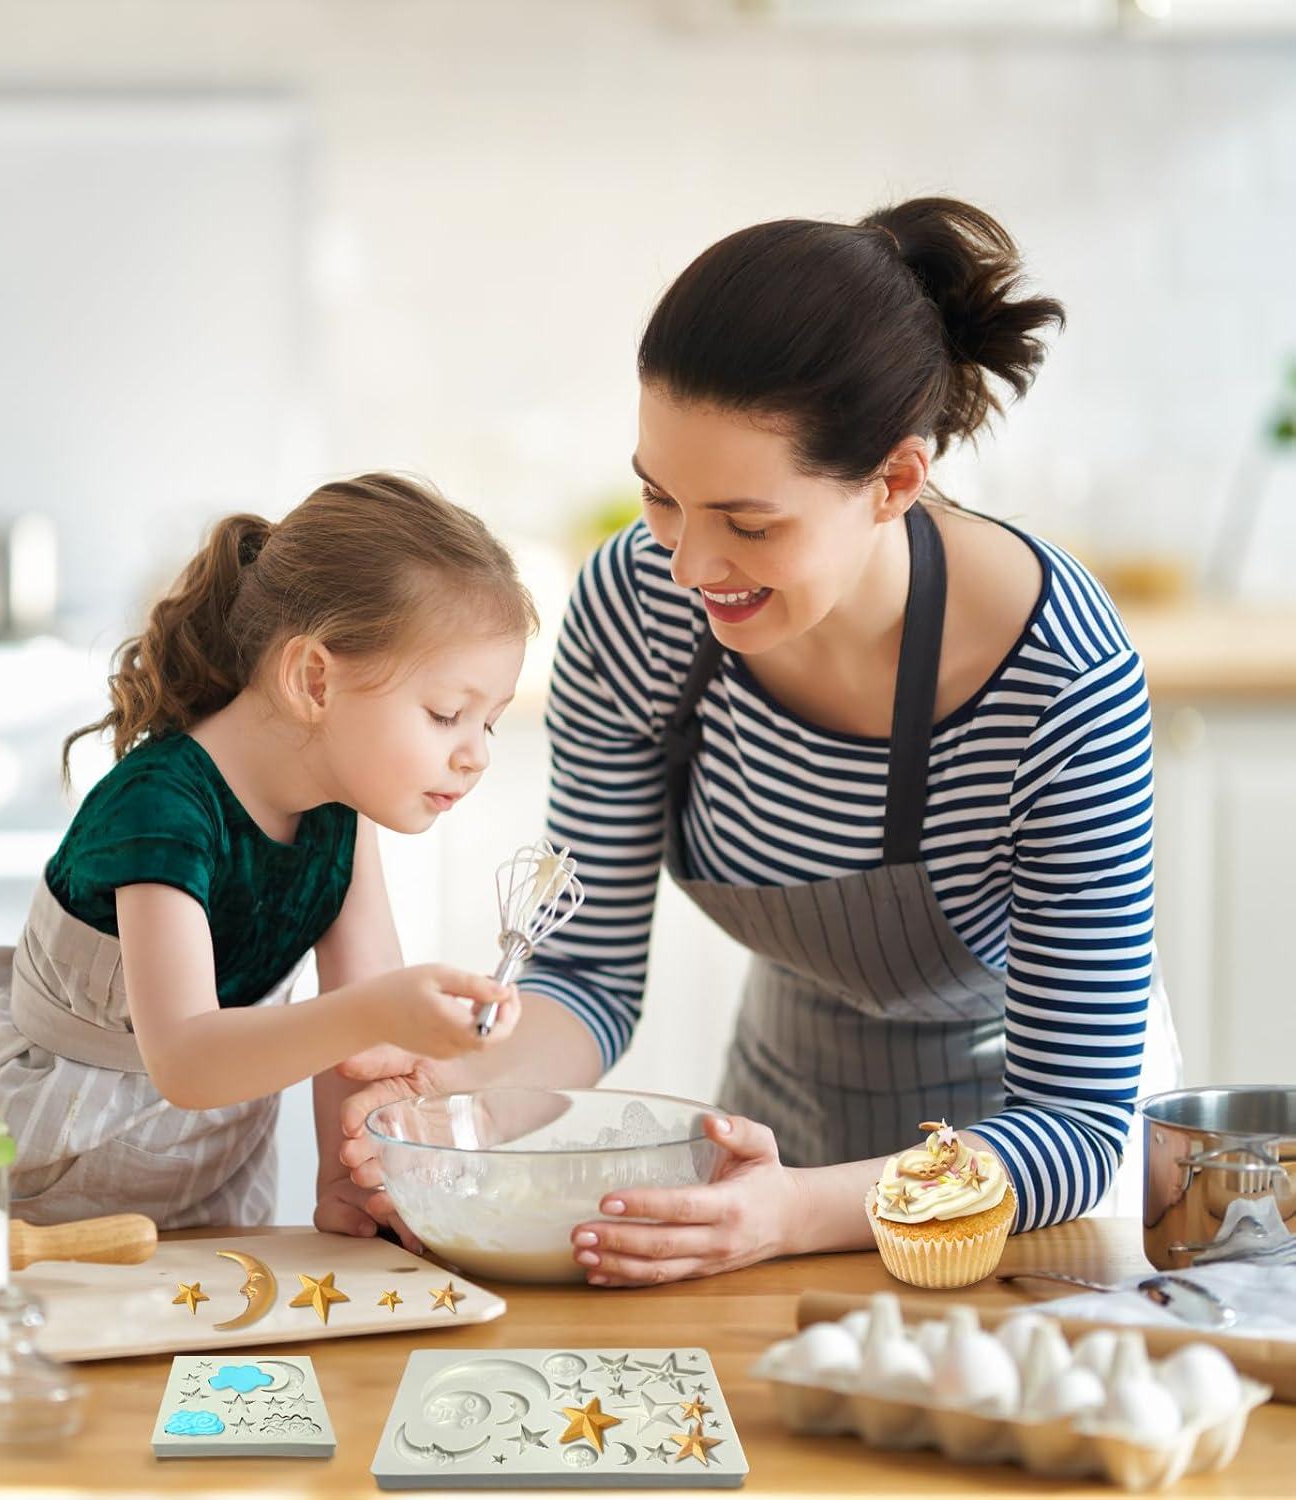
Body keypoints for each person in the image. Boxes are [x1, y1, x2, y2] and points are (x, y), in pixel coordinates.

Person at [338, 199, 1180, 1281]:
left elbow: (1075, 1120)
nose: (689, 565)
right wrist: (460, 1096)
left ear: (894, 483)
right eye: (660, 499)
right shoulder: (637, 608)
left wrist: (799, 1212)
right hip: (780, 1121)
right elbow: (589, 972)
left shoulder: (1060, 678)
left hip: (1019, 1183)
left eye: (750, 522)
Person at [0, 473, 534, 1229]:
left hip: (202, 1187)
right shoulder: (161, 807)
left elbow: (360, 1051)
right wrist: (375, 1011)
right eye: (447, 714)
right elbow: (190, 1060)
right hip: (34, 1184)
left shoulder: (341, 821)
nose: (475, 757)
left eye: (486, 725)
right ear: (314, 679)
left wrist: (344, 1182)